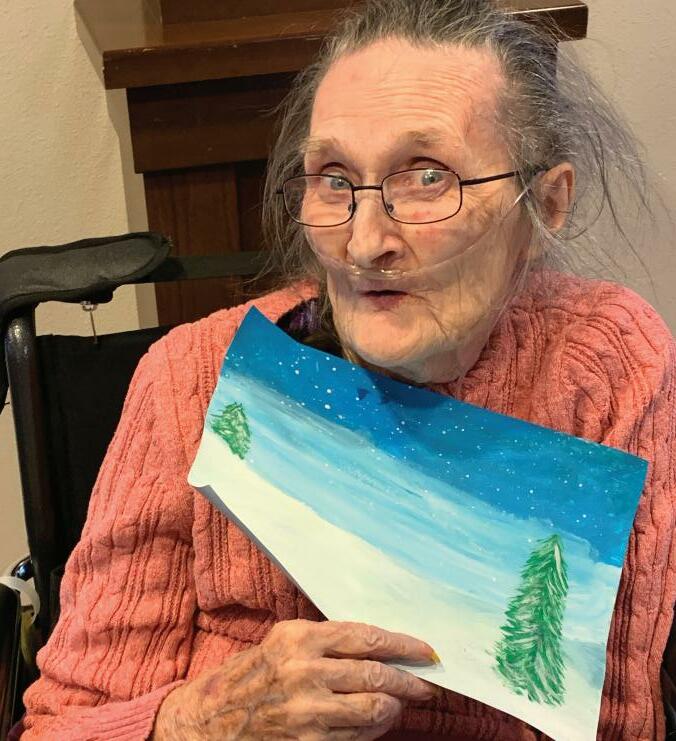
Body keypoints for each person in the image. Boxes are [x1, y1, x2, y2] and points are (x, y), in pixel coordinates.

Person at [19, 0, 675, 739]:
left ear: (546, 203)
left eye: (427, 177)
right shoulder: (191, 379)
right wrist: (199, 721)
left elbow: (617, 720)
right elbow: (59, 725)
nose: (363, 245)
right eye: (333, 178)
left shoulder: (603, 363)